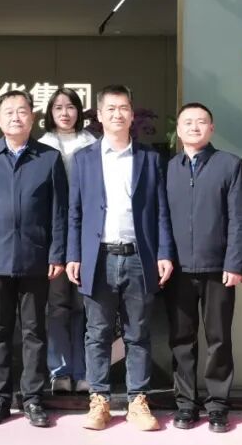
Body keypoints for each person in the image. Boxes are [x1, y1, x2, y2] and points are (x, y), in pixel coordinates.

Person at [66, 84, 174, 431]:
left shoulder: (149, 158)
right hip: (97, 257)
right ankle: (99, 399)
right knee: (96, 333)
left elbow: (160, 211)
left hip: (138, 257)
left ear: (131, 113)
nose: (117, 114)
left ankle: (137, 400)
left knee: (138, 333)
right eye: (110, 108)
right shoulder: (84, 158)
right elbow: (75, 212)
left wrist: (163, 252)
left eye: (123, 108)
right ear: (99, 115)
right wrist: (73, 254)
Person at [0, 90, 69, 428]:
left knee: (34, 332)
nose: (15, 117)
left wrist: (58, 253)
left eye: (22, 111)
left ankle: (33, 398)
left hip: (36, 258)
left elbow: (59, 212)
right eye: (8, 112)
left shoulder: (49, 158)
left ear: (32, 118)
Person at [164, 102, 242, 432]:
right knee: (181, 339)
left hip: (218, 269)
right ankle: (186, 404)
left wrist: (235, 262)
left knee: (219, 339)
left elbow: (239, 218)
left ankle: (217, 405)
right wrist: (164, 257)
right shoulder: (168, 168)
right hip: (177, 271)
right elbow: (160, 219)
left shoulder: (229, 164)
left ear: (211, 128)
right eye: (188, 122)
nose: (195, 127)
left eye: (201, 122)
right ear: (178, 130)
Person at [37, 87, 95, 394]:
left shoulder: (93, 144)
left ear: (79, 111)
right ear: (50, 112)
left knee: (85, 305)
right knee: (58, 305)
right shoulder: (42, 146)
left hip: (88, 233)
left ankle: (85, 371)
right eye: (58, 107)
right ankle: (59, 371)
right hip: (54, 234)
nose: (64, 112)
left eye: (70, 106)